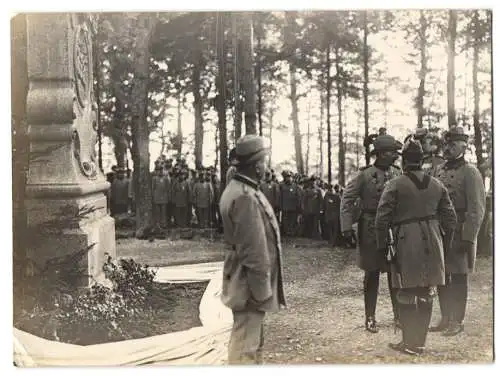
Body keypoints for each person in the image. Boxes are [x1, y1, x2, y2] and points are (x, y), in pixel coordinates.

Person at [375, 138, 457, 355]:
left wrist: (383, 247)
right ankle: (419, 342)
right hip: (433, 239)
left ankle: (409, 342)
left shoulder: (394, 185)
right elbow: (451, 219)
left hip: (406, 241)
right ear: (422, 161)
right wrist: (444, 244)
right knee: (427, 291)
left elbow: (381, 219)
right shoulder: (437, 185)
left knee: (406, 291)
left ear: (404, 162)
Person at [219, 135, 286, 364]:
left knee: (251, 344)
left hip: (245, 282)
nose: (265, 166)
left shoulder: (240, 189)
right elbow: (254, 253)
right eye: (264, 161)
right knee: (245, 349)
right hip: (248, 286)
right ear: (257, 165)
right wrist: (262, 291)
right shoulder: (245, 197)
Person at [340, 134, 402, 333]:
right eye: (392, 152)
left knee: (395, 274)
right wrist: (346, 227)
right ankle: (370, 317)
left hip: (393, 229)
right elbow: (347, 200)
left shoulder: (398, 173)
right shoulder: (364, 176)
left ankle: (399, 316)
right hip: (370, 229)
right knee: (372, 274)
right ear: (382, 154)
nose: (395, 156)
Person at [429, 126, 486, 336]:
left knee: (459, 276)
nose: (448, 148)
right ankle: (445, 317)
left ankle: (457, 320)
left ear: (464, 146)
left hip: (460, 229)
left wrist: (468, 237)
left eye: (453, 145)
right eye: (447, 144)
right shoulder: (439, 171)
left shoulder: (471, 172)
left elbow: (477, 208)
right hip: (441, 229)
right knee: (441, 275)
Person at [280, 170, 302, 237]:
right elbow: (280, 196)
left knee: (292, 220)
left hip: (293, 207)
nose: (288, 178)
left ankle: (292, 233)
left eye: (290, 177)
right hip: (285, 206)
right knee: (285, 220)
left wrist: (298, 206)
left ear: (292, 178)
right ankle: (286, 232)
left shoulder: (295, 186)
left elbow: (298, 197)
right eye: (287, 177)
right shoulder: (282, 186)